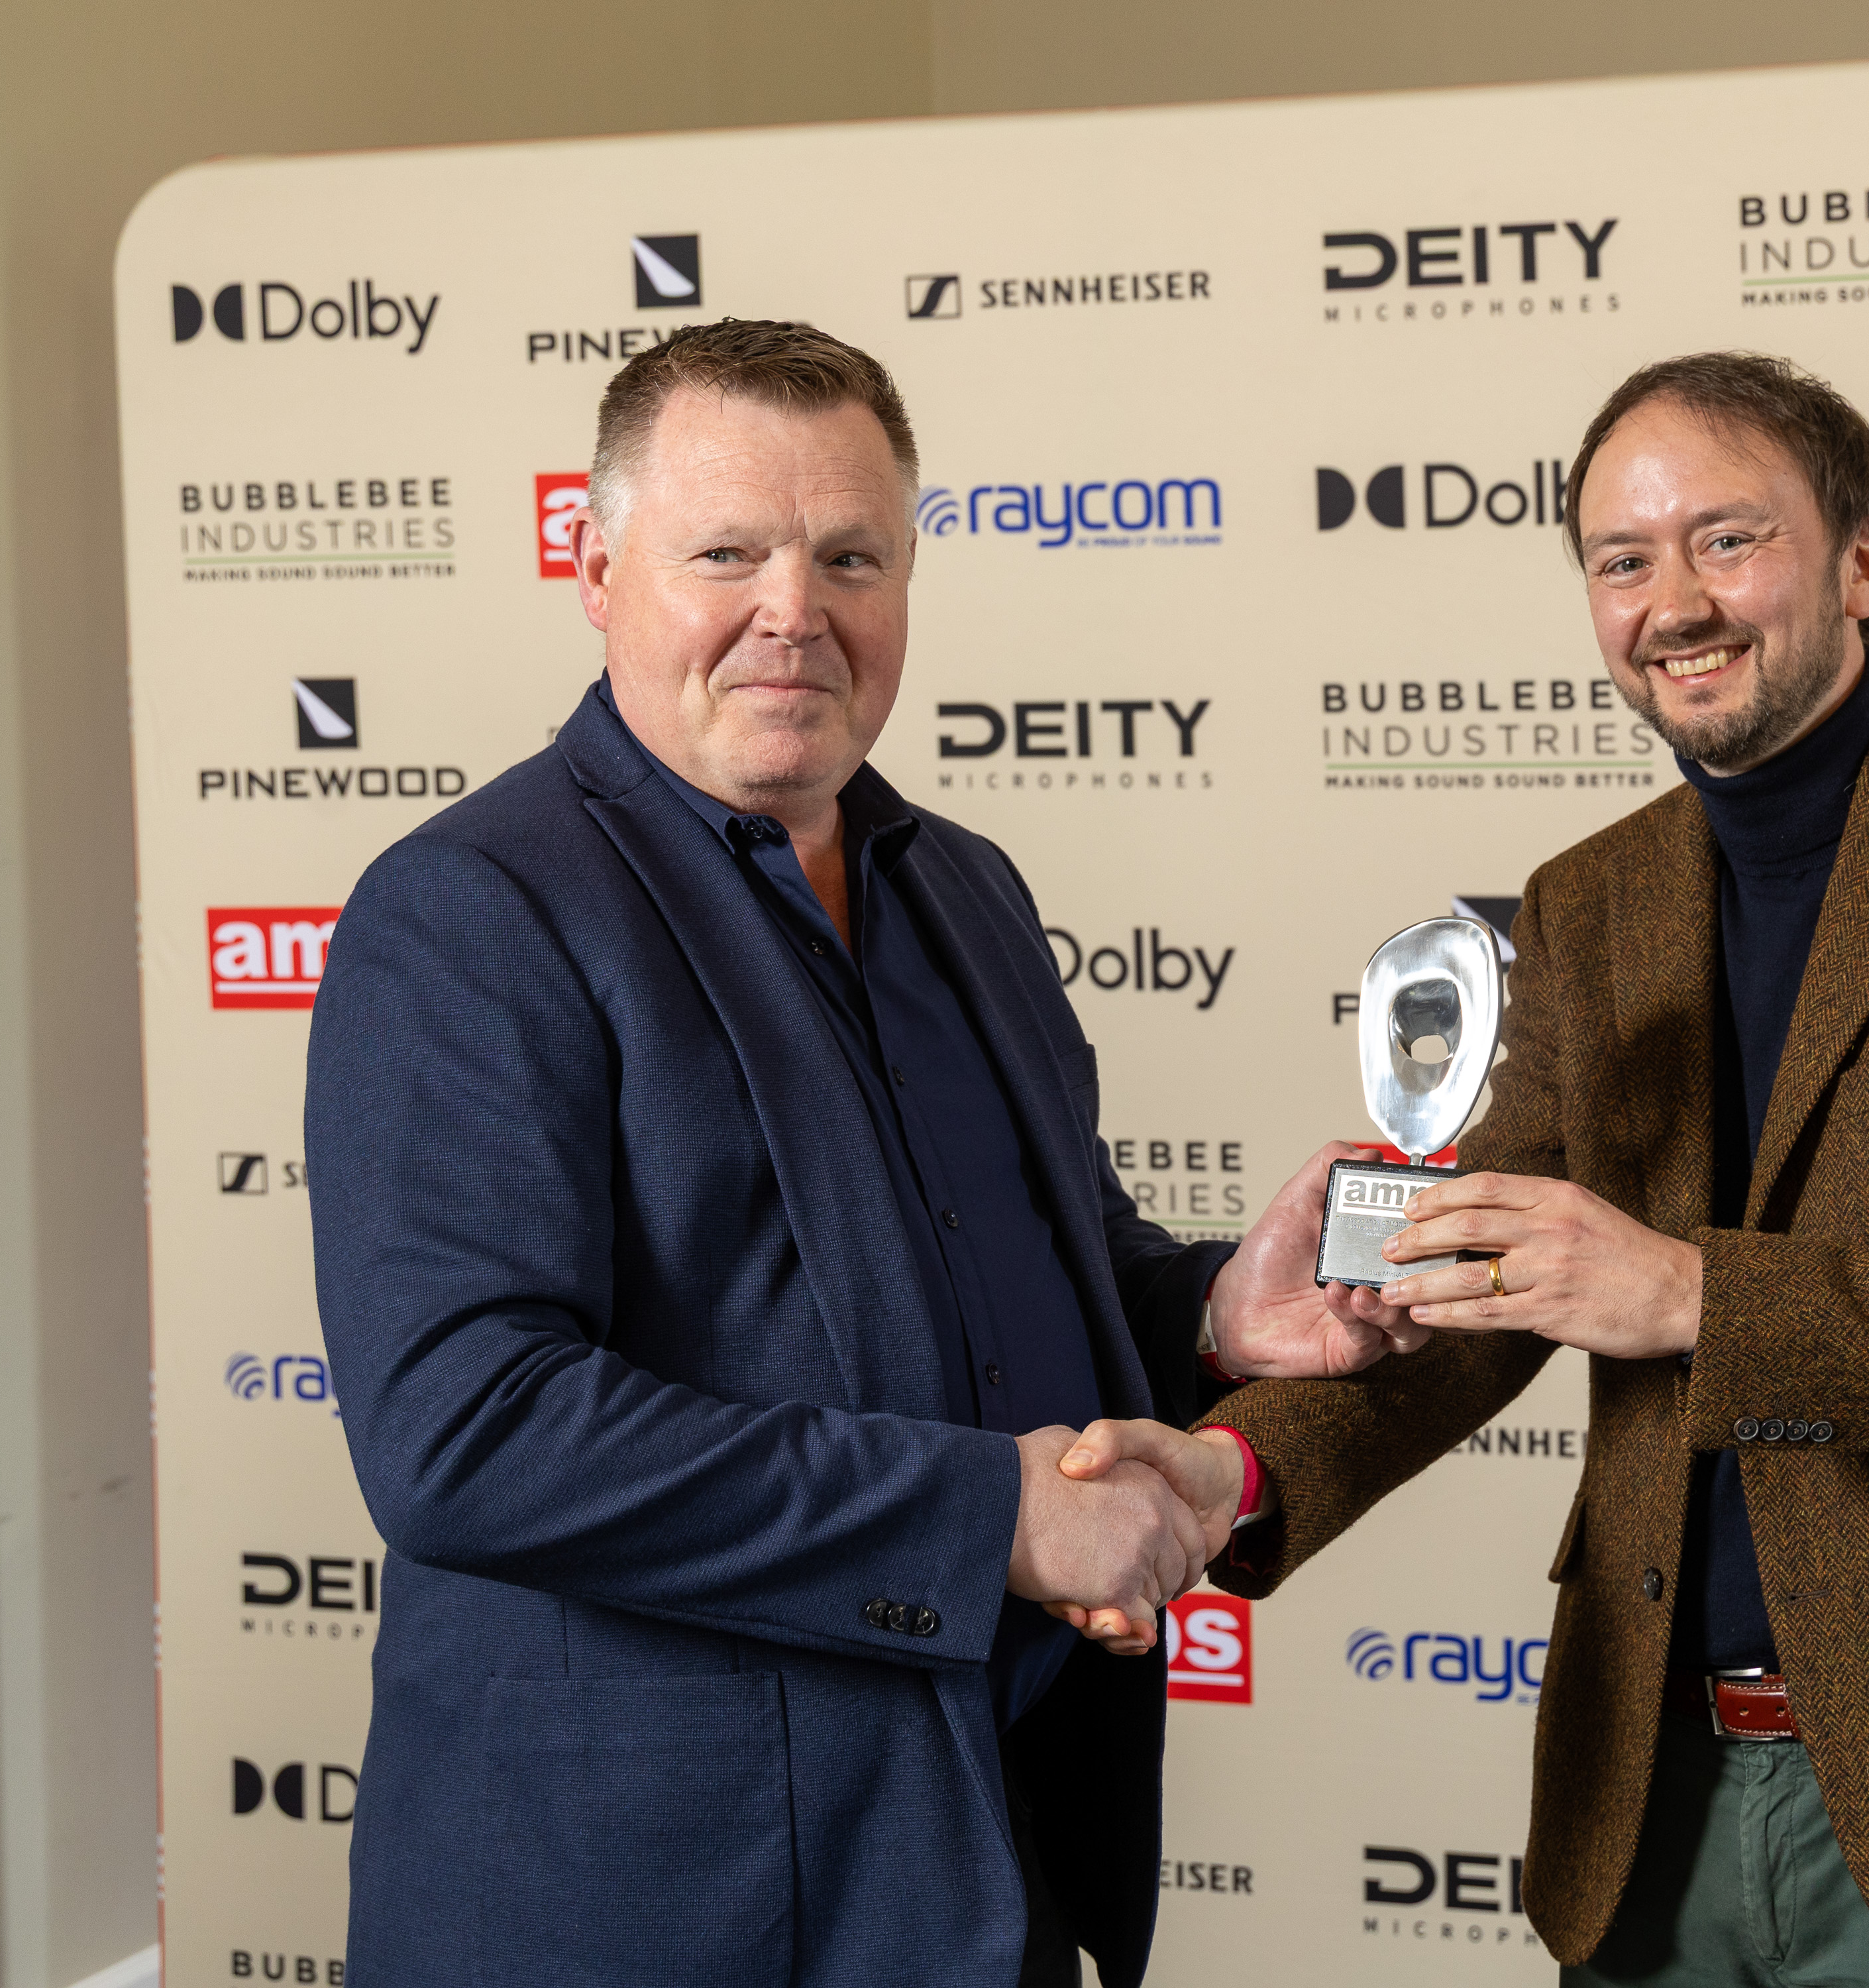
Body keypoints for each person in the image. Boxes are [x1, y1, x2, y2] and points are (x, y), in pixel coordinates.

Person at [1071, 351, 1869, 1986]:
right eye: (1622, 561)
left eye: (1726, 540)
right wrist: (1234, 1474)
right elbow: (1482, 1292)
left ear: (1863, 559)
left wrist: (1697, 1296)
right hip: (1646, 1792)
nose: (1673, 604)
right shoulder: (1587, 901)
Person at [303, 319, 1371, 1988]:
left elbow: (1008, 1282)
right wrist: (987, 1521)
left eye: (850, 557)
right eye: (726, 552)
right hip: (660, 1912)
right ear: (594, 569)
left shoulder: (965, 890)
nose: (794, 610)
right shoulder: (472, 910)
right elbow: (467, 1430)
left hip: (986, 1856)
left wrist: (1210, 1315)